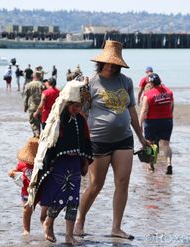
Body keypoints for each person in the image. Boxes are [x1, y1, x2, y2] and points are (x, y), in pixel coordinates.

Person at [74, 40, 150, 239]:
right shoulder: (89, 82)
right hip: (98, 140)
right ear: (101, 62)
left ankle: (116, 227)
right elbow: (81, 113)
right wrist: (79, 143)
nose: (111, 66)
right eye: (108, 63)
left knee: (123, 182)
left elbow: (132, 110)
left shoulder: (126, 82)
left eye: (115, 63)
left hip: (124, 139)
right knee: (95, 185)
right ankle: (79, 220)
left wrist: (141, 137)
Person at [27, 80, 93, 244]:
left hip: (75, 164)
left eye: (79, 106)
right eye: (73, 105)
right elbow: (49, 144)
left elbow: (84, 142)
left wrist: (84, 162)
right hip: (59, 165)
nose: (76, 109)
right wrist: (49, 165)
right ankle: (49, 222)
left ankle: (69, 235)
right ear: (67, 102)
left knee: (73, 200)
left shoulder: (80, 121)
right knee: (60, 197)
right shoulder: (56, 121)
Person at [8, 137, 47, 235]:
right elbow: (14, 170)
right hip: (27, 192)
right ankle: (26, 230)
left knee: (45, 212)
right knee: (27, 211)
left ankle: (46, 227)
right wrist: (12, 173)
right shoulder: (22, 164)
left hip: (41, 191)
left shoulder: (43, 164)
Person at [139, 73, 174, 175]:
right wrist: (169, 117)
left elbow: (144, 110)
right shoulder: (169, 92)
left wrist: (140, 124)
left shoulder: (148, 95)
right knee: (166, 145)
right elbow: (172, 106)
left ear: (150, 82)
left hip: (152, 122)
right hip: (167, 121)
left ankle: (151, 166)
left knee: (150, 144)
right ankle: (169, 163)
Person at [24, 71, 45, 137]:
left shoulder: (28, 85)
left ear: (33, 76)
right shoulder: (42, 85)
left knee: (33, 122)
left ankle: (37, 134)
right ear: (40, 76)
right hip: (42, 107)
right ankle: (41, 136)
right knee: (42, 122)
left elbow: (26, 97)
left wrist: (25, 107)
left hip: (32, 107)